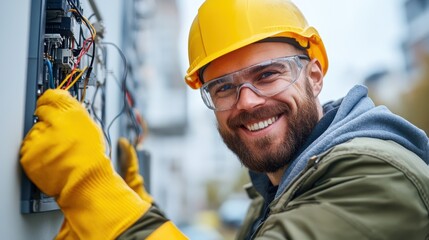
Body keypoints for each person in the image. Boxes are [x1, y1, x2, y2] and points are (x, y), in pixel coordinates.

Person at [20, 0, 429, 239]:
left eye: (267, 74)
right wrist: (141, 213)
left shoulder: (375, 177)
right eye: (223, 88)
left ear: (315, 74)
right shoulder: (273, 195)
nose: (247, 102)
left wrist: (93, 191)